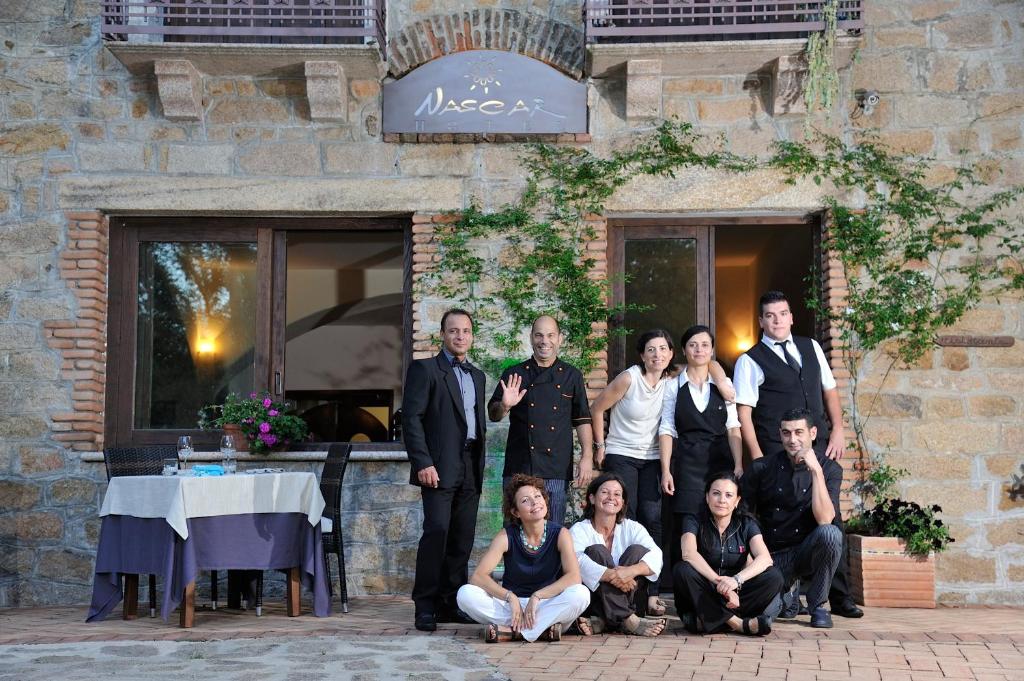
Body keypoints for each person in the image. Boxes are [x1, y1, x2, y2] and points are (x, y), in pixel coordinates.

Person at [733, 290, 862, 619]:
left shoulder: (811, 346)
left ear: (791, 316)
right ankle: (784, 583)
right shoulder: (750, 360)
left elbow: (829, 390)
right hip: (777, 448)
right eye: (770, 315)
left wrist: (838, 429)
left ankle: (839, 596)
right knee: (782, 515)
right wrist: (759, 456)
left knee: (831, 518)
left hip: (817, 441)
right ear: (761, 321)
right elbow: (744, 413)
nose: (777, 320)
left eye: (783, 313)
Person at [402, 308, 487, 632]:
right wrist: (423, 461)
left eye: (465, 331)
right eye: (453, 331)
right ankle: (425, 606)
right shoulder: (425, 370)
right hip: (438, 466)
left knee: (461, 540)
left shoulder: (477, 376)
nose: (460, 336)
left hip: (470, 466)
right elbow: (411, 420)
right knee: (436, 533)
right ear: (442, 334)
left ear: (472, 336)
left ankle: (451, 604)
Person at [741, 408, 844, 628]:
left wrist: (816, 471)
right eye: (786, 433)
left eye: (799, 432)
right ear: (780, 434)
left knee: (830, 534)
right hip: (771, 556)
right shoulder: (762, 468)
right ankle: (789, 595)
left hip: (805, 552)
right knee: (768, 614)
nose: (792, 439)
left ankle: (818, 605)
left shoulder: (830, 469)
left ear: (813, 433)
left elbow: (825, 518)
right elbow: (744, 518)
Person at [457, 474, 590, 642]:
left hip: (545, 604)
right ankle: (541, 630)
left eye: (537, 496)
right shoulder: (506, 536)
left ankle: (513, 632)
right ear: (515, 512)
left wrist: (537, 596)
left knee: (581, 594)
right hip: (513, 608)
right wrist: (510, 597)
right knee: (465, 594)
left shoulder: (560, 534)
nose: (535, 503)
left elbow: (573, 577)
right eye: (526, 500)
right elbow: (478, 577)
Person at [489, 315, 594, 524]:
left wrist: (587, 457)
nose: (544, 341)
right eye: (539, 335)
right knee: (514, 529)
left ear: (559, 339)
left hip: (555, 466)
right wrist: (505, 405)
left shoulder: (571, 375)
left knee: (553, 528)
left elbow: (582, 419)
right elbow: (493, 414)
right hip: (519, 465)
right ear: (531, 338)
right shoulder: (515, 373)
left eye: (550, 335)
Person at [658, 325, 742, 568]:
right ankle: (685, 579)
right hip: (686, 462)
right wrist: (666, 470)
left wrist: (738, 464)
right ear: (684, 350)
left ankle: (721, 574)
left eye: (705, 345)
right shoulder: (673, 386)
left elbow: (733, 427)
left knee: (720, 516)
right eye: (693, 345)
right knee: (687, 520)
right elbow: (666, 430)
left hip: (720, 461)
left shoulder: (722, 384)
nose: (699, 349)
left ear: (712, 350)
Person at [672, 472, 783, 636]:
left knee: (774, 577)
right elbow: (688, 553)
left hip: (734, 595)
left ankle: (711, 621)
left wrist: (735, 581)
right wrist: (721, 584)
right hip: (704, 590)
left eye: (728, 495)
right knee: (683, 570)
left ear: (737, 501)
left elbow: (765, 558)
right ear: (707, 497)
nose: (722, 500)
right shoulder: (693, 520)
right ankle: (737, 623)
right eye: (716, 493)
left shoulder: (747, 523)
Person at [568, 472, 667, 636]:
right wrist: (609, 575)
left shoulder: (632, 527)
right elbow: (574, 561)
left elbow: (657, 555)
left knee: (638, 551)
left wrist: (630, 571)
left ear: (622, 502)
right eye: (605, 492)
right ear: (592, 498)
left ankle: (605, 621)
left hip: (633, 597)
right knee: (596, 551)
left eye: (617, 494)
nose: (611, 498)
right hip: (596, 601)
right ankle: (628, 620)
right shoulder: (579, 529)